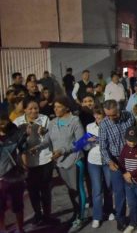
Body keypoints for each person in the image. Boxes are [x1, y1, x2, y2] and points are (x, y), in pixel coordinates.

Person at [32, 96, 85, 232]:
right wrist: (37, 147)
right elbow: (48, 141)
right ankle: (76, 213)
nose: (55, 110)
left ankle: (81, 217)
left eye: (59, 107)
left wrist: (63, 150)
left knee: (77, 190)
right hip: (60, 163)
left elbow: (81, 142)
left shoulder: (75, 120)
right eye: (54, 107)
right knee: (70, 191)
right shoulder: (53, 122)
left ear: (66, 107)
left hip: (74, 161)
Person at [13, 98, 53, 226]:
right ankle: (38, 215)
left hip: (45, 159)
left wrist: (44, 132)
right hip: (28, 162)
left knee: (46, 190)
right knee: (33, 191)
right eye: (30, 108)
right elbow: (14, 142)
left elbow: (50, 137)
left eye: (35, 108)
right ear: (24, 109)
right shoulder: (17, 122)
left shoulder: (45, 119)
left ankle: (47, 215)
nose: (33, 111)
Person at [99, 99, 136, 231]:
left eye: (114, 115)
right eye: (108, 115)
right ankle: (120, 219)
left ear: (119, 110)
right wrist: (109, 161)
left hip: (131, 159)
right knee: (119, 193)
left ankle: (134, 218)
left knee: (132, 191)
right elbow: (103, 147)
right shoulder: (104, 124)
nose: (111, 118)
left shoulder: (129, 116)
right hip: (115, 162)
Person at [117, 127, 137, 233]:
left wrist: (130, 174)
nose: (131, 143)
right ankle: (133, 223)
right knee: (131, 204)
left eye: (134, 140)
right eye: (129, 140)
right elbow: (121, 163)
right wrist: (125, 174)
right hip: (128, 182)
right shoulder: (125, 148)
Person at [86, 106, 114, 229]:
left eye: (99, 115)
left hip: (107, 161)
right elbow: (85, 147)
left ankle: (109, 211)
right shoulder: (89, 127)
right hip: (93, 160)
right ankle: (97, 216)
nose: (97, 117)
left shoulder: (110, 125)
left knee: (108, 187)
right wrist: (89, 141)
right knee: (97, 190)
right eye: (95, 115)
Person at [0, 114, 27, 233]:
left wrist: (26, 168)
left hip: (14, 176)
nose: (2, 125)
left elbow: (23, 151)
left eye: (3, 122)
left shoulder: (17, 134)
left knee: (18, 206)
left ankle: (20, 229)